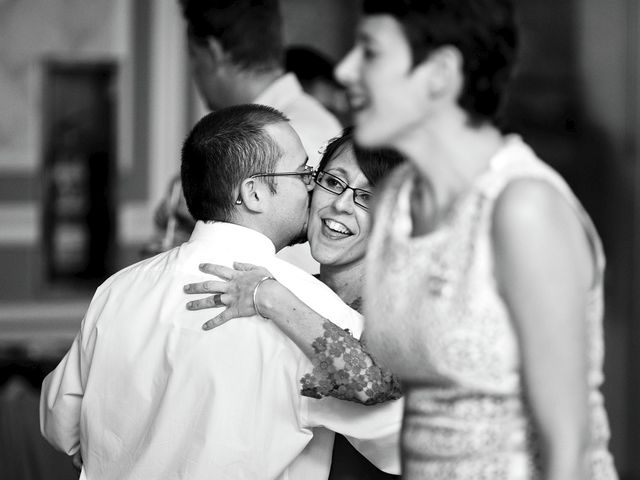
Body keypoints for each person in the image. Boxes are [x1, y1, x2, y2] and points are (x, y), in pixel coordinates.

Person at [329, 0, 618, 479]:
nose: (346, 69)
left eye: (370, 52)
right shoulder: (397, 200)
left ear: (440, 73)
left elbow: (571, 445)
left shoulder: (522, 208)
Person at [40, 105, 401, 479]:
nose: (314, 188)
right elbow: (399, 439)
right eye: (312, 176)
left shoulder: (118, 289)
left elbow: (61, 425)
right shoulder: (315, 308)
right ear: (254, 192)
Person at [184, 127, 404, 478]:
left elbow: (371, 384)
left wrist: (271, 297)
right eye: (333, 181)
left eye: (368, 197)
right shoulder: (287, 290)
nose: (340, 204)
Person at [147, 0, 342, 275]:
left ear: (213, 53)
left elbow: (295, 270)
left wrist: (205, 230)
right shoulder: (310, 121)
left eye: (192, 57)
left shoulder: (291, 138)